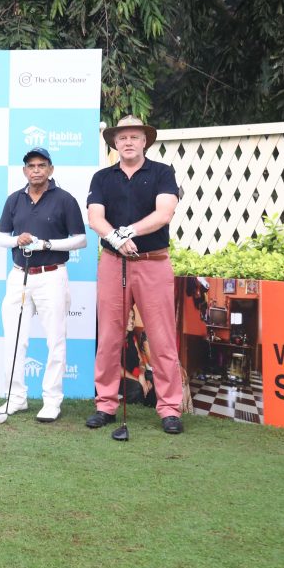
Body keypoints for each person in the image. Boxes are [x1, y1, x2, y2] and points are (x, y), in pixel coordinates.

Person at [86, 115, 185, 434]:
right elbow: (95, 217)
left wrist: (130, 231)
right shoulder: (102, 177)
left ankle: (170, 408)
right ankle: (105, 404)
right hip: (114, 262)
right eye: (122, 137)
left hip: (153, 262)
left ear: (145, 141)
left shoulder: (162, 173)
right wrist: (115, 237)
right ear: (115, 143)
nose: (128, 142)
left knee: (162, 338)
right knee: (109, 337)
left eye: (134, 137)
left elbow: (164, 212)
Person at [0, 147, 87, 422]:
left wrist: (48, 244)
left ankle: (51, 401)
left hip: (51, 275)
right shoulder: (14, 200)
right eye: (31, 166)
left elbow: (80, 239)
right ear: (25, 171)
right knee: (14, 338)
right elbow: (1, 237)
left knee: (54, 340)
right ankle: (16, 398)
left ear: (50, 169)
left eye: (41, 165)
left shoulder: (65, 200)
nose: (36, 170)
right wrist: (16, 240)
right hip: (19, 275)